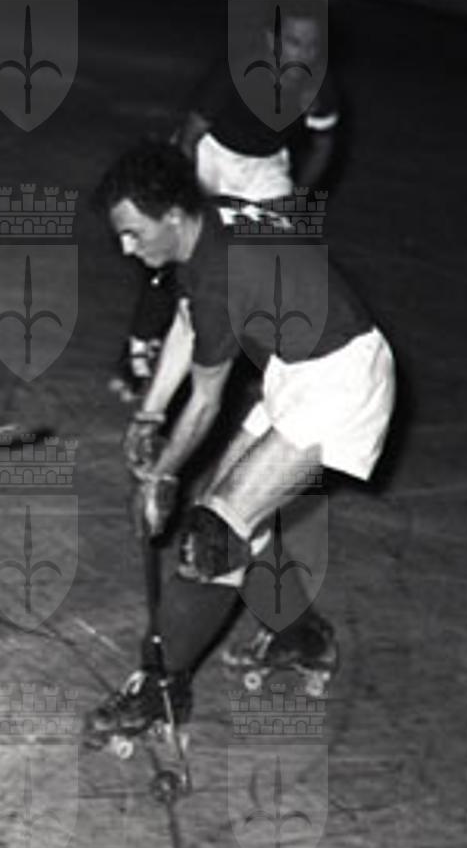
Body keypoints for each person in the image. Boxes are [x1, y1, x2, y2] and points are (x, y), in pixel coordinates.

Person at [86, 140, 394, 740]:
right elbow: (187, 322)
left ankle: (159, 688)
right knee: (224, 513)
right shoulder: (209, 224)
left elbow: (206, 401)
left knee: (214, 532)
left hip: (340, 383)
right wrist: (149, 415)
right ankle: (298, 634)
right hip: (300, 370)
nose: (126, 248)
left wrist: (159, 476)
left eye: (133, 233)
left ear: (172, 217)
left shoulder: (221, 272)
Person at [112, 7, 343, 402]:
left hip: (264, 166)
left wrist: (294, 202)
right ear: (270, 41)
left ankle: (259, 362)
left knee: (273, 261)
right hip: (208, 152)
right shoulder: (237, 69)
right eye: (293, 42)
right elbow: (190, 137)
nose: (303, 54)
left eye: (313, 46)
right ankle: (139, 347)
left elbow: (324, 145)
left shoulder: (318, 86)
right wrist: (188, 206)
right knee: (178, 255)